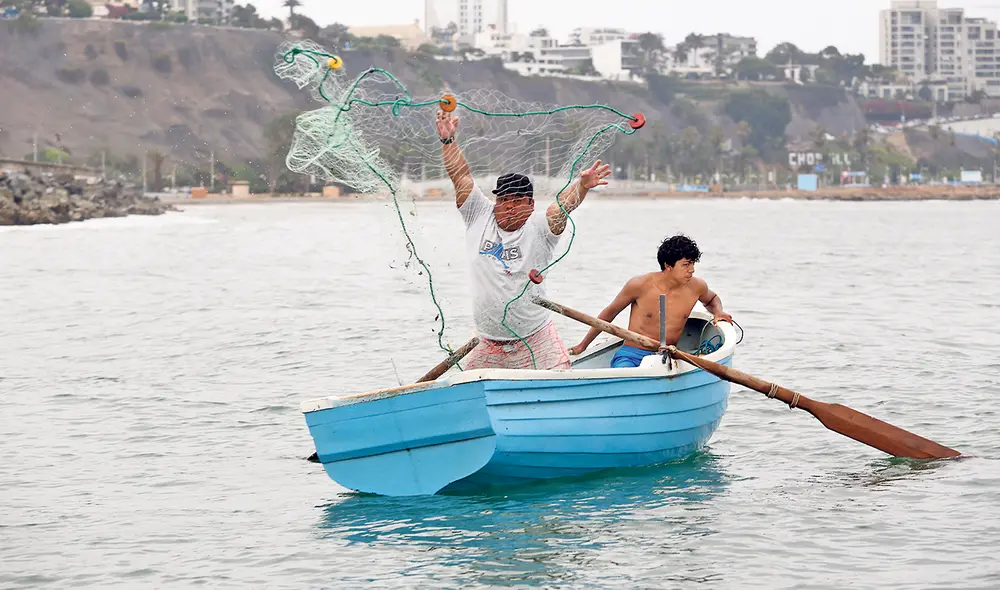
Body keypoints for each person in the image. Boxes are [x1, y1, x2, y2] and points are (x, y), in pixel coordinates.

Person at [436, 107, 611, 370]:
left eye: (516, 201)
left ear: (530, 204)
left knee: (559, 388)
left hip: (536, 337)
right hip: (487, 341)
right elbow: (460, 175)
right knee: (465, 389)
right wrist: (448, 140)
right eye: (503, 200)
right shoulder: (478, 214)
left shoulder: (540, 226)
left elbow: (562, 207)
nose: (508, 207)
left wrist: (582, 186)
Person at [568, 234, 733, 368]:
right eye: (686, 264)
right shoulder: (640, 285)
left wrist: (718, 312)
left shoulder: (696, 286)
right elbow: (609, 313)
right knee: (625, 376)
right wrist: (583, 345)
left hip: (670, 355)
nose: (692, 269)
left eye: (693, 264)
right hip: (632, 354)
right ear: (668, 265)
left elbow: (711, 299)